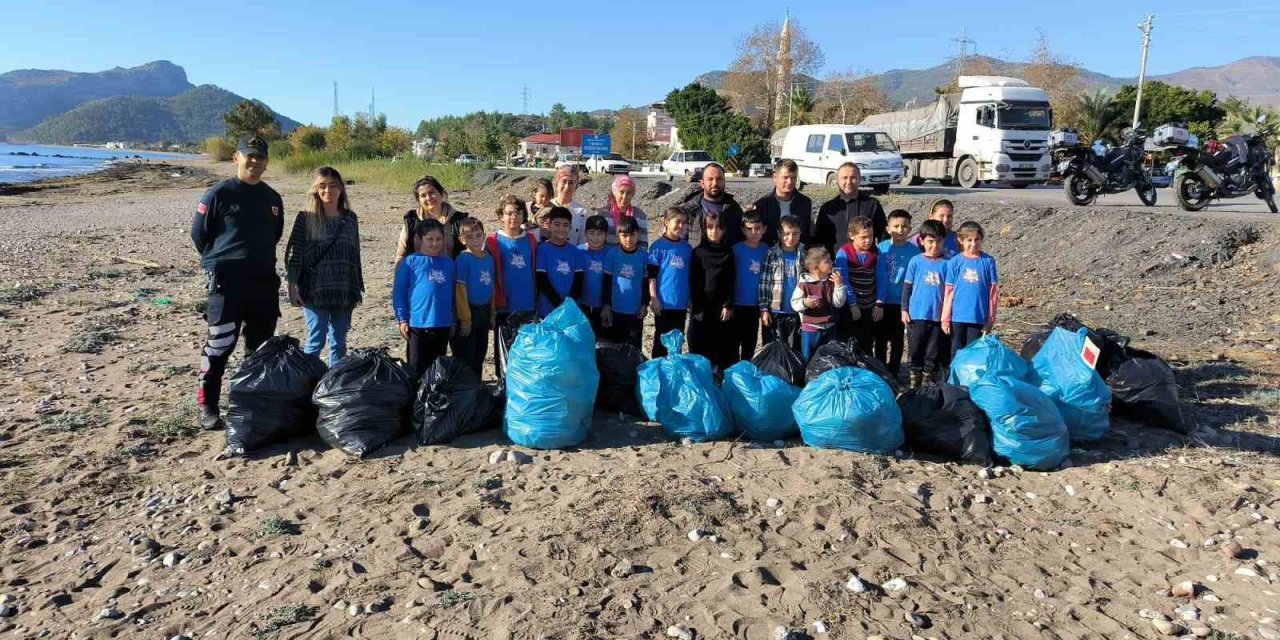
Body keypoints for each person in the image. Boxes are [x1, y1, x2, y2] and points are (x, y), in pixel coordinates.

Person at [190, 134, 285, 431]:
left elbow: (276, 235)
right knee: (219, 345)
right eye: (249, 156)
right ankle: (208, 406)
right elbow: (199, 235)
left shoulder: (273, 199)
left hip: (263, 284)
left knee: (258, 350)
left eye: (260, 157)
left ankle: (247, 403)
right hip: (227, 285)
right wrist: (221, 261)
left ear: (267, 162)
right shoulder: (219, 194)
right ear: (236, 158)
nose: (254, 162)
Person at [284, 166, 364, 365]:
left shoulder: (350, 218)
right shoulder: (305, 218)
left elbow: (355, 254)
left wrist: (357, 289)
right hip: (314, 290)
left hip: (343, 288)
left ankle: (332, 386)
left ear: (341, 190)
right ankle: (309, 385)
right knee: (315, 341)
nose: (328, 191)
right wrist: (292, 287)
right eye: (322, 186)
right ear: (316, 190)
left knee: (339, 342)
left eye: (333, 186)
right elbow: (295, 255)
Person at [393, 219, 456, 377]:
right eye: (430, 239)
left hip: (442, 324)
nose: (435, 243)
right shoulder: (409, 262)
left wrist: (453, 320)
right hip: (417, 325)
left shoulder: (449, 264)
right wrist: (402, 319)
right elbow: (399, 293)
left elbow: (454, 294)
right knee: (416, 368)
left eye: (438, 239)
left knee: (436, 370)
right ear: (419, 239)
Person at [486, 195, 538, 380]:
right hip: (504, 305)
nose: (513, 217)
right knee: (504, 353)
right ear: (501, 216)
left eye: (517, 213)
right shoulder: (493, 241)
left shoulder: (531, 240)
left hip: (528, 303)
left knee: (527, 351)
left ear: (524, 215)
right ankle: (504, 389)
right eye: (508, 213)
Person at [901, 220, 950, 388]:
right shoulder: (915, 261)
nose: (934, 245)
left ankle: (927, 382)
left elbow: (950, 292)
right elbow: (907, 288)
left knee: (932, 351)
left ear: (944, 241)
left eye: (938, 241)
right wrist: (904, 309)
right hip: (916, 315)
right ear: (921, 241)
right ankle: (914, 382)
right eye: (930, 241)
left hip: (937, 317)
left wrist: (947, 316)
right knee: (915, 350)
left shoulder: (947, 264)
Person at [941, 221, 999, 357]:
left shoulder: (988, 261)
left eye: (977, 239)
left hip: (977, 317)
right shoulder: (955, 262)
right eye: (969, 240)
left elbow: (993, 294)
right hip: (957, 316)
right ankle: (954, 378)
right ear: (961, 240)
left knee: (973, 352)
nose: (973, 243)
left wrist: (990, 320)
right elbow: (949, 292)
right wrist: (945, 318)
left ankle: (970, 378)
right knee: (956, 351)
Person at [873, 209, 920, 376]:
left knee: (897, 339)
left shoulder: (914, 252)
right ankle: (879, 370)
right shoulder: (881, 248)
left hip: (901, 303)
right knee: (880, 339)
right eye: (896, 226)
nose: (900, 230)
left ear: (910, 228)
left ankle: (893, 371)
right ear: (888, 228)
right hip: (882, 302)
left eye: (905, 226)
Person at [688, 213, 736, 371]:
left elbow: (731, 280)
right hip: (702, 307)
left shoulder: (728, 253)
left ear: (724, 230)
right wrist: (697, 307)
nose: (714, 231)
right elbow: (694, 281)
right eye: (710, 227)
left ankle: (719, 376)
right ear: (704, 229)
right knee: (699, 343)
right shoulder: (698, 252)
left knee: (721, 343)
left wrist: (728, 304)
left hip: (721, 308)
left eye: (719, 227)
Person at [450, 218, 495, 375]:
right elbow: (460, 290)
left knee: (480, 352)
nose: (475, 240)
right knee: (466, 355)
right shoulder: (463, 259)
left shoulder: (489, 258)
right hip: (469, 312)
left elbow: (491, 286)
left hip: (485, 310)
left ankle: (477, 387)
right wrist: (465, 318)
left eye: (478, 235)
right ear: (462, 240)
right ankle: (465, 390)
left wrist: (493, 312)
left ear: (484, 235)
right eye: (469, 237)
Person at [647, 207, 693, 358]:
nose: (681, 226)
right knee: (661, 341)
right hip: (664, 303)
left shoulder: (687, 248)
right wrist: (654, 298)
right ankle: (658, 373)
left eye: (684, 223)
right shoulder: (657, 247)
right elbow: (651, 276)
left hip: (681, 303)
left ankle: (674, 373)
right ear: (666, 222)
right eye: (677, 222)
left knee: (677, 341)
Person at [814, 163, 887, 255]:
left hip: (866, 264)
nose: (849, 182)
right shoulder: (828, 209)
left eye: (853, 177)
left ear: (859, 179)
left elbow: (883, 236)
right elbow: (818, 240)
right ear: (837, 181)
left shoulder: (872, 205)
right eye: (844, 178)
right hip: (836, 264)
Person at [758, 215, 806, 353]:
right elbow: (764, 283)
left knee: (794, 349)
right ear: (779, 233)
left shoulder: (804, 254)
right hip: (775, 311)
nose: (790, 238)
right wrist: (764, 309)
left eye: (795, 234)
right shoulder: (771, 254)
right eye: (786, 234)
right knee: (773, 349)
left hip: (797, 312)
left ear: (800, 233)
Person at [601, 216, 649, 349]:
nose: (628, 239)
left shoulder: (644, 255)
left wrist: (645, 304)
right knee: (616, 346)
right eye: (624, 235)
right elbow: (607, 282)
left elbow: (646, 283)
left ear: (638, 234)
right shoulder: (612, 254)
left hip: (635, 311)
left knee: (634, 347)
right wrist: (606, 305)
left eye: (632, 235)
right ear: (618, 235)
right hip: (616, 310)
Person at [397, 175, 469, 261]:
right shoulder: (411, 221)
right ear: (418, 200)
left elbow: (473, 251)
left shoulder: (459, 220)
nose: (429, 198)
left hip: (452, 272)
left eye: (432, 193)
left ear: (441, 193)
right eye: (423, 195)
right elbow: (401, 254)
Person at [792, 247, 847, 360]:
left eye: (831, 260)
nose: (832, 263)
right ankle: (807, 378)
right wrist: (805, 303)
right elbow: (794, 303)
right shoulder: (804, 284)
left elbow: (838, 303)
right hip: (810, 329)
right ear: (816, 267)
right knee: (808, 359)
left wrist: (838, 286)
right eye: (827, 261)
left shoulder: (832, 281)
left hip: (830, 328)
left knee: (831, 359)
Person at [834, 216, 877, 352]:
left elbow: (882, 277)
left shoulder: (876, 252)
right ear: (852, 235)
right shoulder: (844, 253)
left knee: (867, 342)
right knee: (848, 341)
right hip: (850, 306)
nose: (868, 240)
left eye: (870, 236)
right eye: (863, 237)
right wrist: (853, 305)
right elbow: (844, 280)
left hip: (869, 304)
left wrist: (879, 303)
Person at [730, 212, 769, 363]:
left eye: (758, 228)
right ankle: (732, 373)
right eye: (750, 229)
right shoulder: (736, 249)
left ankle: (745, 369)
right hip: (737, 303)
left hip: (756, 304)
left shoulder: (768, 250)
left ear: (764, 229)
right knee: (733, 342)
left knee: (750, 342)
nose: (754, 232)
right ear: (743, 230)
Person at [678, 162, 745, 247]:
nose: (715, 183)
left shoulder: (734, 209)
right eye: (710, 179)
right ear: (702, 183)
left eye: (719, 179)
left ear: (724, 182)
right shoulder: (689, 210)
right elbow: (678, 243)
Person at [535, 206, 584, 317]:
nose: (561, 229)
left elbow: (579, 280)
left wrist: (568, 304)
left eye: (565, 225)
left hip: (570, 309)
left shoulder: (575, 251)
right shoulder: (542, 249)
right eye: (557, 224)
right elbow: (541, 279)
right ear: (549, 225)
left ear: (570, 227)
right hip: (548, 309)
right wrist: (559, 304)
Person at [749, 159, 813, 245]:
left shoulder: (805, 203)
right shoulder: (762, 205)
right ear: (775, 177)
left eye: (793, 178)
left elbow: (807, 233)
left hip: (797, 254)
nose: (790, 182)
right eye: (785, 177)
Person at [579, 214, 610, 335]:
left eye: (600, 234)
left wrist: (607, 305)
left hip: (603, 306)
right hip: (582, 305)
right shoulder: (578, 251)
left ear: (606, 235)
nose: (595, 238)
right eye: (592, 233)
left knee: (603, 341)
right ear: (585, 233)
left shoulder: (611, 254)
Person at [602, 174, 649, 249]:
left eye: (628, 193)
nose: (625, 197)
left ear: (633, 194)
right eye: (621, 192)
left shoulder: (639, 215)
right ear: (614, 192)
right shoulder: (604, 214)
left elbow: (643, 244)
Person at [551, 165, 591, 245]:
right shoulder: (548, 206)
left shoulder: (582, 212)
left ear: (576, 185)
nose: (567, 187)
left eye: (571, 182)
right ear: (557, 183)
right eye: (564, 181)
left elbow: (583, 242)